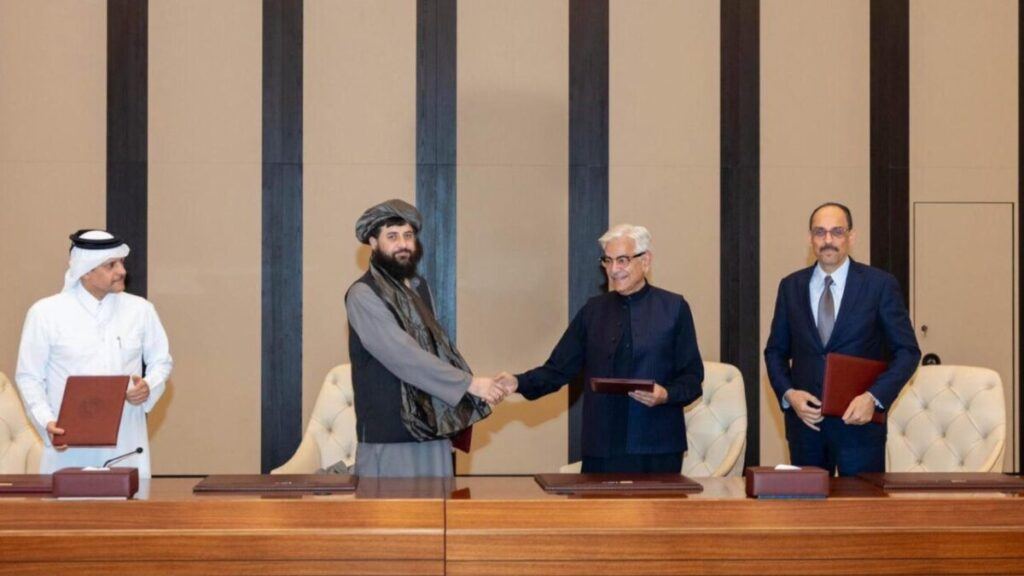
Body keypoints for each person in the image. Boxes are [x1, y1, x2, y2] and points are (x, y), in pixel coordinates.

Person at [496, 224, 704, 473]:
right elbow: (558, 369)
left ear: (645, 260)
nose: (614, 270)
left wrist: (666, 394)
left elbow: (692, 379)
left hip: (657, 446)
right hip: (602, 447)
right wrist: (518, 382)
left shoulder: (674, 308)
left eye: (623, 260)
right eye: (608, 260)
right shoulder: (593, 311)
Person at [346, 199, 507, 477]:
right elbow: (403, 355)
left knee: (439, 504)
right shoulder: (363, 294)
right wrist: (470, 384)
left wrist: (453, 414)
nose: (403, 244)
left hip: (432, 429)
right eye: (392, 236)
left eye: (408, 236)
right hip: (390, 436)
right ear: (373, 242)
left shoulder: (420, 288)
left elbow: (436, 351)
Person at [764, 202, 921, 476]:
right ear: (810, 238)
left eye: (837, 232)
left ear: (851, 236)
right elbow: (775, 352)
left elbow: (908, 352)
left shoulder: (879, 285)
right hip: (806, 429)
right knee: (805, 504)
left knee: (862, 504)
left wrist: (873, 398)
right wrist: (789, 394)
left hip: (860, 430)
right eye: (820, 232)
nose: (828, 240)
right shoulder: (791, 286)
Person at [15, 229, 173, 478]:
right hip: (68, 445)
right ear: (85, 271)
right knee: (68, 503)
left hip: (126, 444)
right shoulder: (45, 314)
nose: (122, 271)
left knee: (128, 503)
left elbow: (161, 362)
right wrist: (46, 421)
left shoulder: (141, 310)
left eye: (121, 262)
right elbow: (29, 377)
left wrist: (148, 386)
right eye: (111, 265)